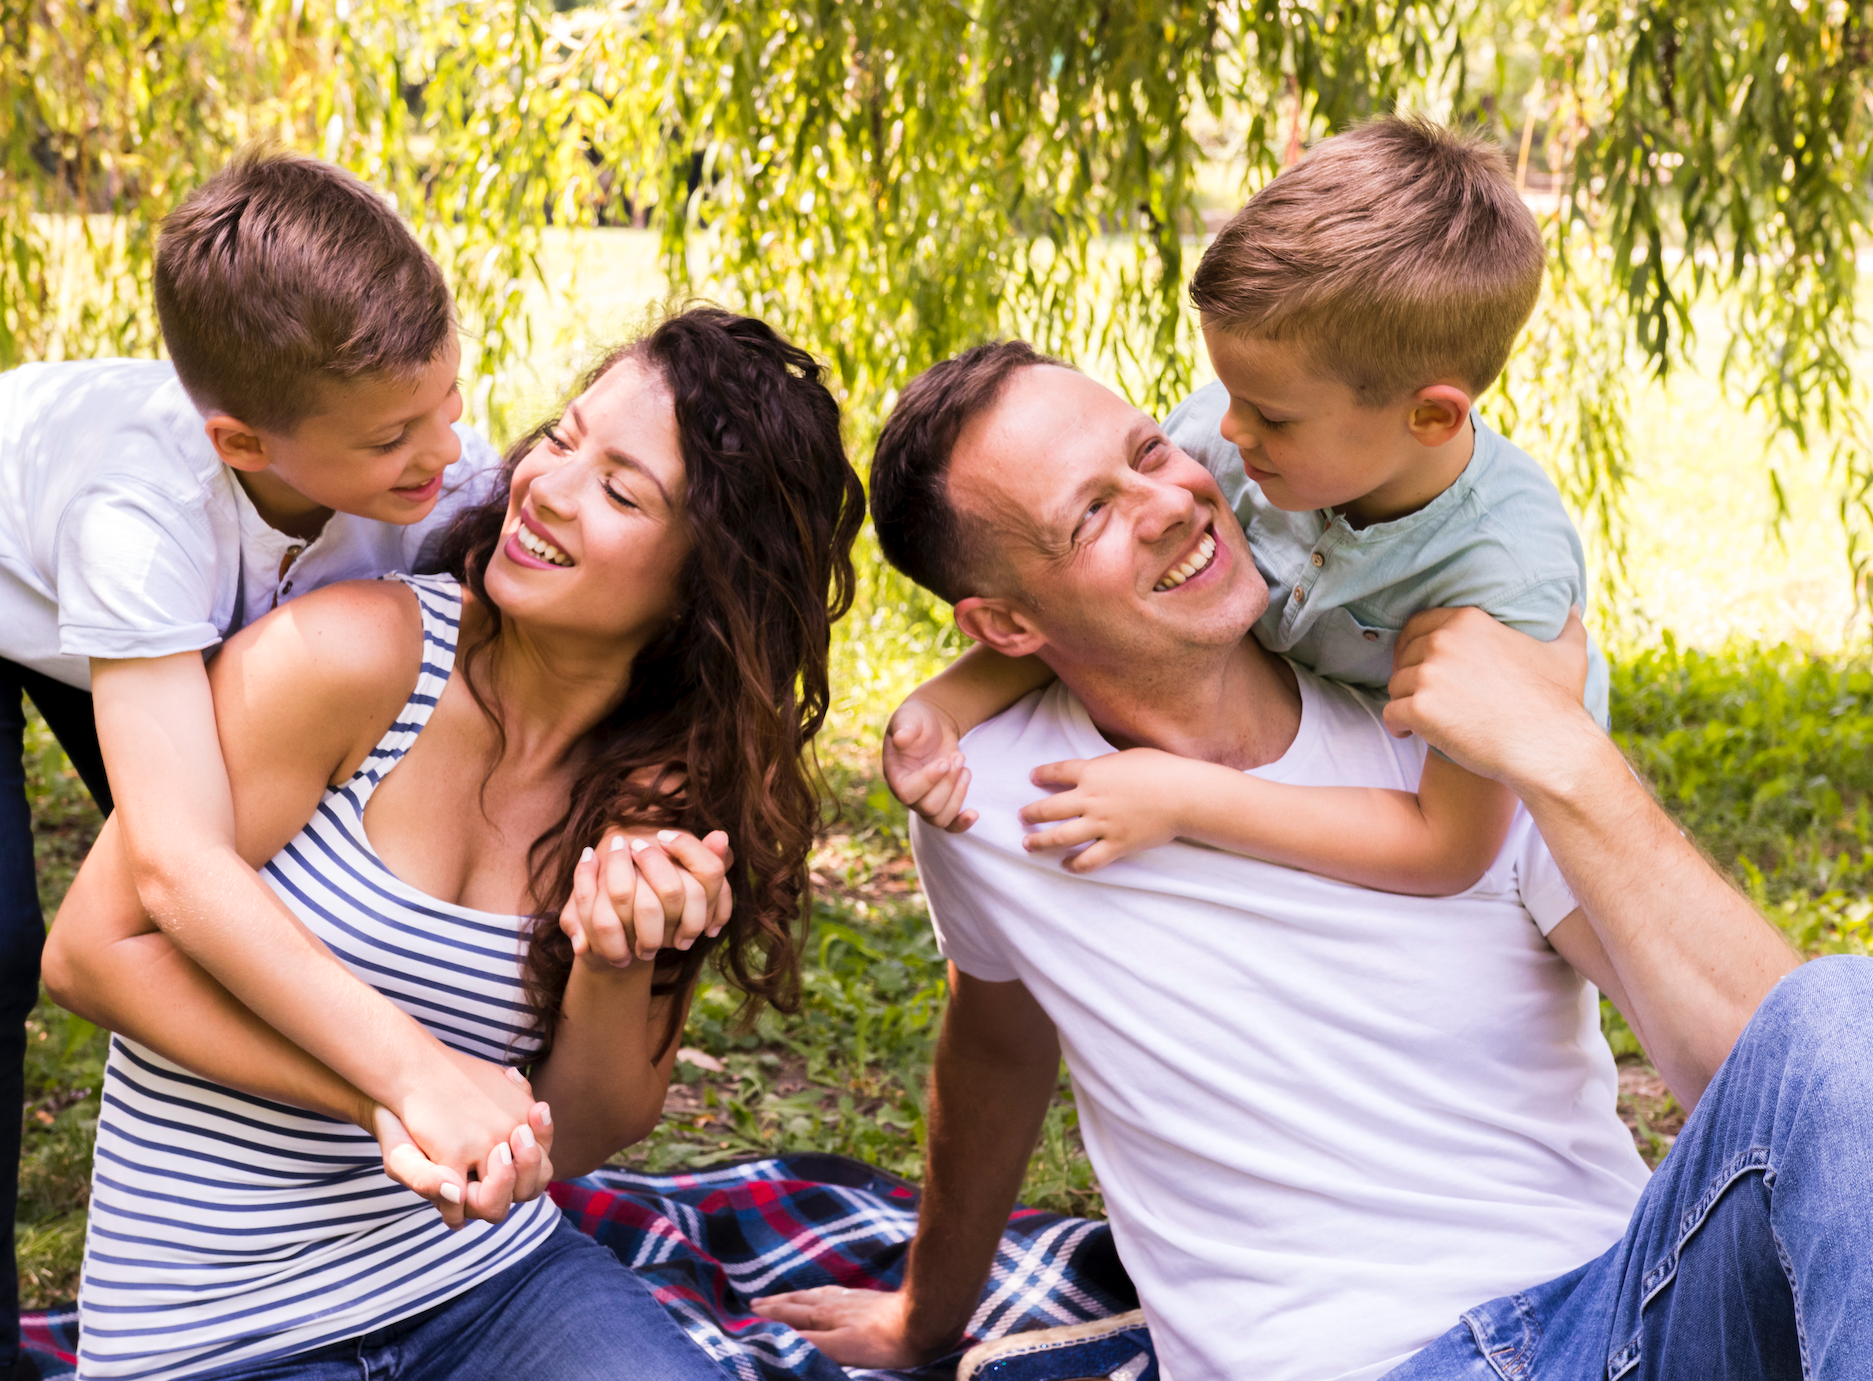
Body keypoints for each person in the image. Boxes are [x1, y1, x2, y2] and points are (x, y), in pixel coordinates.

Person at [752, 351, 1873, 1381]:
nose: (1167, 503)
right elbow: (994, 1040)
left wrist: (1562, 751)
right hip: (1361, 1360)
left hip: (1622, 1318)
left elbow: (1783, 1078)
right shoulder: (983, 800)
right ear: (999, 621)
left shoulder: (1450, 739)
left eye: (1148, 451)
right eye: (1090, 512)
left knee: (1837, 1007)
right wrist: (922, 1315)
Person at [0, 151, 562, 1379]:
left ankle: (255, 1211)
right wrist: (410, 1069)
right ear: (242, 439)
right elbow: (174, 865)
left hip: (150, 615)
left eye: (449, 401)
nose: (446, 453)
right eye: (395, 436)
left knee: (238, 907)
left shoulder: (419, 464)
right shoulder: (138, 513)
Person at [39, 306, 866, 1380]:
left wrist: (615, 957)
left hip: (487, 1285)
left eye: (620, 491)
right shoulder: (348, 660)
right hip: (217, 1325)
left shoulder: (661, 790)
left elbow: (574, 1132)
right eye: (563, 439)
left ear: (705, 585)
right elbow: (90, 952)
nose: (547, 488)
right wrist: (402, 1087)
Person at [884, 117, 1601, 897]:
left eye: (1271, 415)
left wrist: (1183, 798)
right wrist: (944, 705)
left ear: (1431, 417)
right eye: (1228, 393)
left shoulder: (1504, 573)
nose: (1225, 430)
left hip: (1512, 875)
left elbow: (1447, 848)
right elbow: (1076, 600)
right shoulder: (1229, 439)